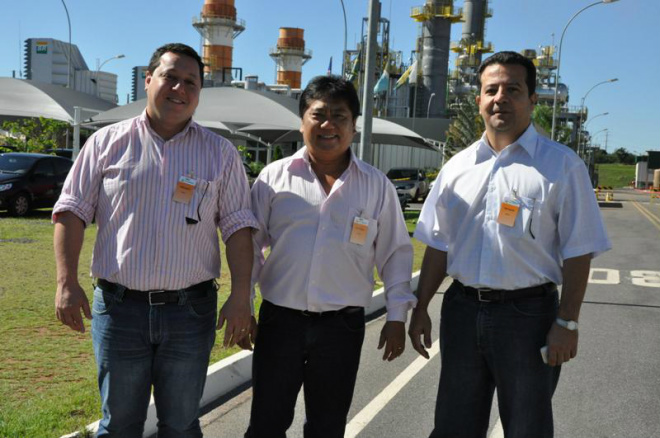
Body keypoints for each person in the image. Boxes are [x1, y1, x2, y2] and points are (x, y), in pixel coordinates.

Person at [53, 43, 258, 438]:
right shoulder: (106, 143)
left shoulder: (221, 155)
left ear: (199, 93)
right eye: (170, 77)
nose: (179, 88)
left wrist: (241, 296)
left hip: (189, 313)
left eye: (191, 83)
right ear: (148, 81)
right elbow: (71, 211)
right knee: (119, 426)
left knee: (180, 426)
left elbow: (237, 227)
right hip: (119, 310)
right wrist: (65, 282)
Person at [409, 51, 611, 438]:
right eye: (491, 89)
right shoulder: (457, 167)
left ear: (532, 100)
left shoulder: (562, 166)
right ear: (479, 101)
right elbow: (437, 244)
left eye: (513, 89)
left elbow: (578, 250)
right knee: (454, 426)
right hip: (463, 312)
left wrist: (567, 322)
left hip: (529, 318)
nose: (500, 97)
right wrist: (421, 308)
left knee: (527, 427)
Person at [244, 75, 416, 438]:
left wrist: (397, 315)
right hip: (281, 323)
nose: (328, 125)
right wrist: (244, 304)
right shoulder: (274, 178)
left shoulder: (375, 185)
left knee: (327, 427)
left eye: (339, 116)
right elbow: (251, 248)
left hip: (342, 327)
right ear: (302, 121)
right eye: (318, 115)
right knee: (265, 424)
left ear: (353, 126)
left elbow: (396, 254)